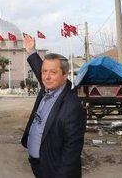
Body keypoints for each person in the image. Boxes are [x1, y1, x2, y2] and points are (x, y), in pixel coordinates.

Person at [21, 34, 86, 178]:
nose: (46, 77)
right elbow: (43, 71)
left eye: (53, 72)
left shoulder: (72, 106)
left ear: (64, 76)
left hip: (54, 168)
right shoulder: (47, 87)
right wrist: (31, 50)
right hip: (37, 164)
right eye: (44, 72)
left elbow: (72, 152)